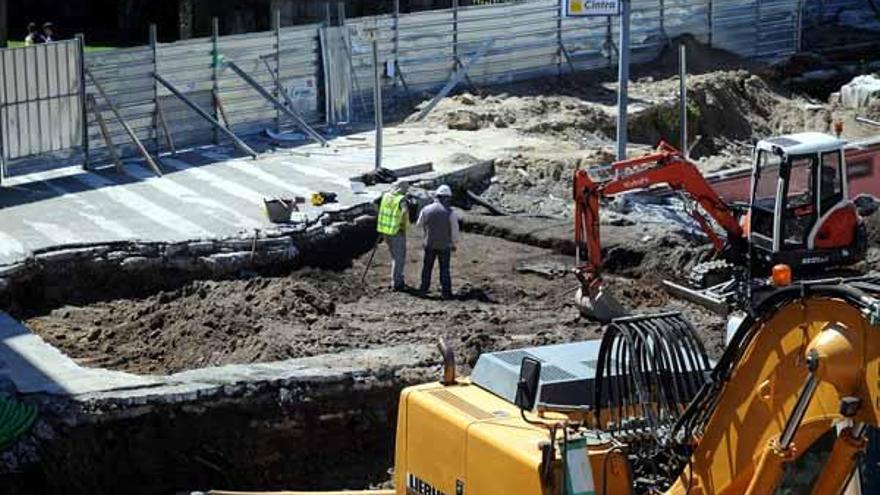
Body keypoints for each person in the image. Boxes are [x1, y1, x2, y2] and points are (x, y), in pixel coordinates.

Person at [417, 184, 460, 299]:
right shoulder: (450, 213)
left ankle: (423, 288)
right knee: (444, 269)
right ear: (446, 198)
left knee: (427, 267)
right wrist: (454, 244)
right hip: (444, 245)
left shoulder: (426, 209)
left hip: (429, 243)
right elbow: (454, 231)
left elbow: (419, 224)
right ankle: (446, 292)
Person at [376, 182, 410, 291]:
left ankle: (398, 278)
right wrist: (404, 226)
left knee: (394, 256)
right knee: (399, 258)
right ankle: (397, 283)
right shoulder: (401, 200)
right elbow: (404, 213)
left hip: (385, 230)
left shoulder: (386, 196)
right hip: (396, 231)